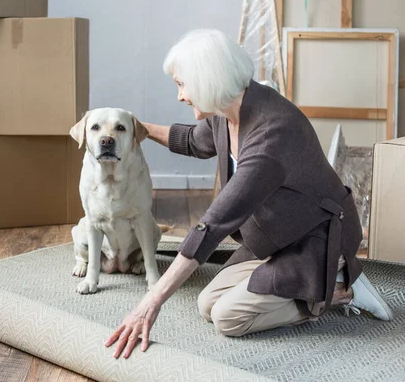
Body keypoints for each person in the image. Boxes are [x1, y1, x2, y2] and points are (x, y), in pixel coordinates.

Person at [104, 29, 394, 359]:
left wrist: (149, 304)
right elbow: (193, 142)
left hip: (317, 238)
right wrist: (137, 126)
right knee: (208, 304)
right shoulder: (228, 111)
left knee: (229, 318)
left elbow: (212, 227)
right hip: (277, 235)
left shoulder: (272, 134)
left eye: (181, 84)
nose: (180, 96)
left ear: (208, 80)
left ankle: (339, 290)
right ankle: (313, 286)